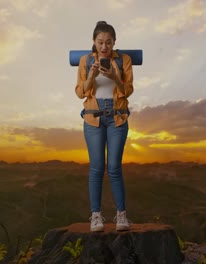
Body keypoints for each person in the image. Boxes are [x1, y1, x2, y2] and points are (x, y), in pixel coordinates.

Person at [75, 21, 134, 232]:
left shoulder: (124, 60)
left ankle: (121, 216)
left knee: (115, 168)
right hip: (93, 117)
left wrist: (115, 77)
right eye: (100, 42)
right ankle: (96, 216)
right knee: (97, 168)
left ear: (114, 42)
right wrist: (91, 75)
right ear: (94, 42)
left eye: (109, 42)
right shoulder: (85, 60)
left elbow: (127, 90)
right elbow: (80, 92)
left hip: (117, 116)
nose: (104, 47)